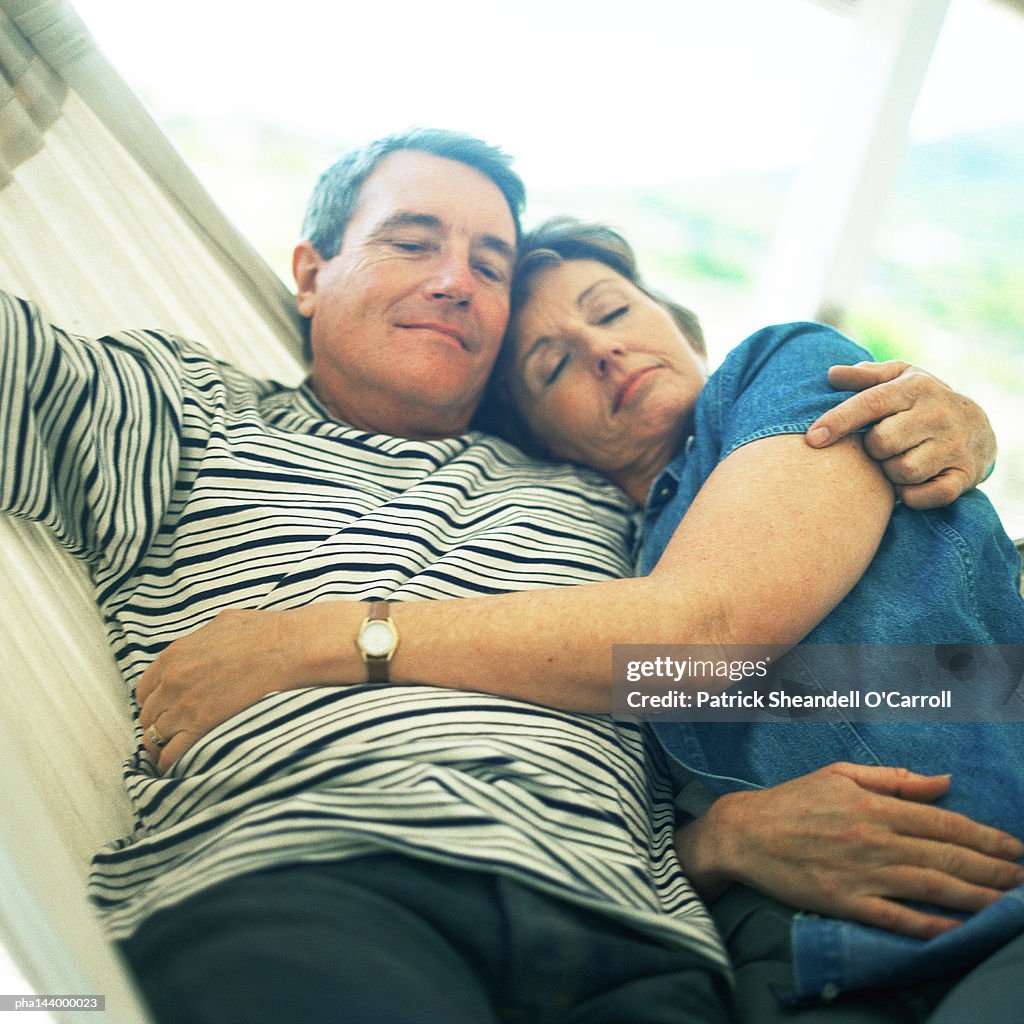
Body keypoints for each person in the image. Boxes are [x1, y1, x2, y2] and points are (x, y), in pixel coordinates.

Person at [0, 129, 1013, 1024]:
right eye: (411, 240)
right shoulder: (183, 414)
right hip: (315, 874)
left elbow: (707, 643)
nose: (456, 280)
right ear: (309, 273)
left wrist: (325, 637)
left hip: (643, 943)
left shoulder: (610, 495)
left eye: (489, 263)